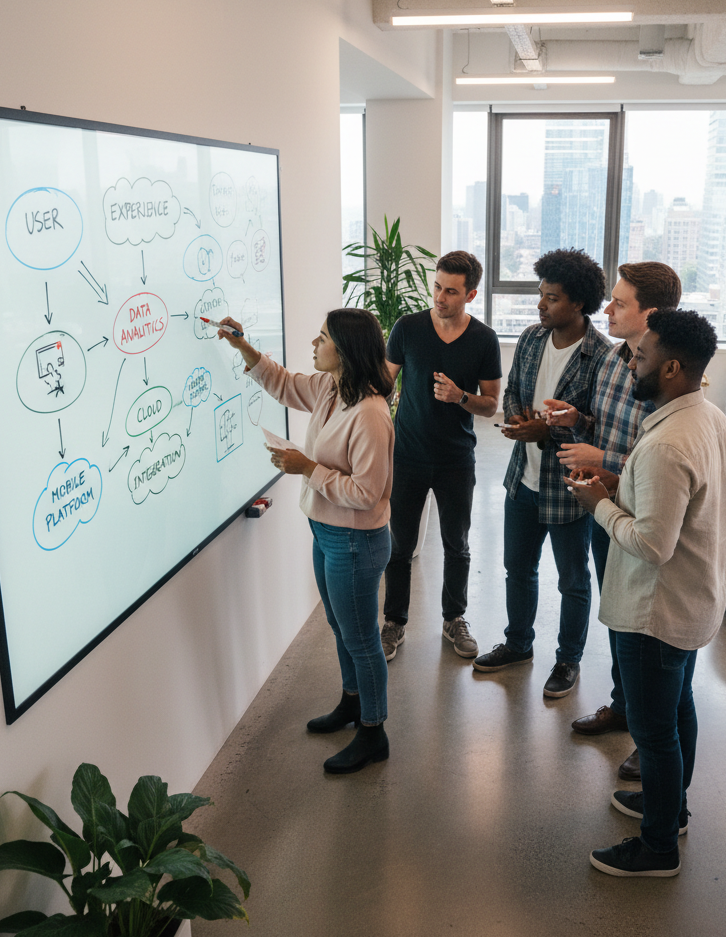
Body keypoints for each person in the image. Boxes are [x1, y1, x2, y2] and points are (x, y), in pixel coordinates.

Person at [566, 309, 726, 877]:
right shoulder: (709, 418)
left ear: (671, 368)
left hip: (654, 612)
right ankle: (672, 808)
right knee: (678, 708)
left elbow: (652, 544)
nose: (631, 361)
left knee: (654, 733)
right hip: (692, 600)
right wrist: (622, 485)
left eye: (641, 355)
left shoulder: (668, 443)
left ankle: (659, 847)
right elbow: (683, 506)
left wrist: (599, 505)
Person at [217, 308, 395, 775]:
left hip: (355, 541)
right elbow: (283, 383)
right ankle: (352, 702)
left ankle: (374, 731)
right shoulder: (331, 388)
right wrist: (242, 345)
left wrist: (307, 469)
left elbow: (367, 493)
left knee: (362, 639)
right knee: (341, 627)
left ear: (346, 351)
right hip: (327, 531)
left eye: (322, 338)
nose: (314, 345)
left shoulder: (371, 414)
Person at [545, 262, 681, 782]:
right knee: (620, 620)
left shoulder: (670, 377)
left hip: (645, 520)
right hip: (608, 511)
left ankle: (652, 739)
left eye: (620, 303)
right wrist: (576, 419)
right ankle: (625, 708)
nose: (608, 309)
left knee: (649, 637)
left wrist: (602, 457)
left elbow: (664, 462)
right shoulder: (612, 357)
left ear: (652, 313)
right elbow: (604, 424)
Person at [473, 248, 611, 698]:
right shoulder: (532, 337)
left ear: (578, 303)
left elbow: (598, 428)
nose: (540, 304)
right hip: (522, 481)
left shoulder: (601, 356)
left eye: (551, 298)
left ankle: (568, 659)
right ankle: (518, 644)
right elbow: (513, 389)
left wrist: (547, 433)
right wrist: (518, 418)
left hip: (568, 490)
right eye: (540, 294)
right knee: (518, 569)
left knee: (573, 581)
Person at [380, 251, 502, 662]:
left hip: (455, 459)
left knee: (457, 545)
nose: (440, 297)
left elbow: (491, 404)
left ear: (470, 294)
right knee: (400, 546)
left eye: (451, 291)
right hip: (407, 455)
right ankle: (394, 622)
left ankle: (454, 619)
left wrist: (460, 396)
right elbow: (384, 384)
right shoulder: (407, 328)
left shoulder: (484, 339)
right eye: (436, 287)